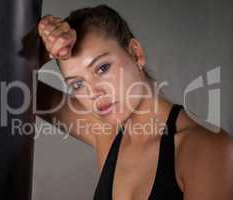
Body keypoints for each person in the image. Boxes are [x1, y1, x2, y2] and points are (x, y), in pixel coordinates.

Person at [19, 4, 233, 200]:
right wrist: (43, 47)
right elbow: (11, 86)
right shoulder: (106, 134)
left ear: (136, 53)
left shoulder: (205, 148)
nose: (94, 92)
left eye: (102, 68)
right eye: (77, 84)